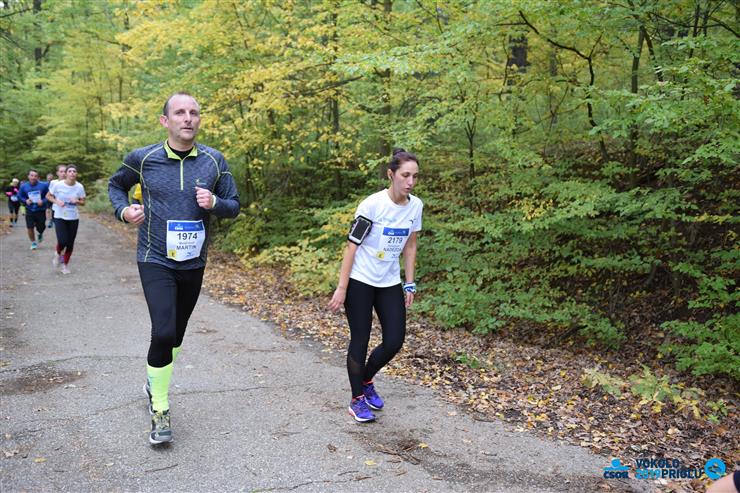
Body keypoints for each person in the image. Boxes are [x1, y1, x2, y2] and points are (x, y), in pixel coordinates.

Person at [108, 92, 240, 445]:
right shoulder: (143, 158)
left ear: (199, 120)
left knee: (177, 333)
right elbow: (116, 185)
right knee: (164, 332)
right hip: (154, 257)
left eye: (194, 112)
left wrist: (215, 202)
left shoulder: (214, 161)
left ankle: (154, 381)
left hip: (193, 260)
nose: (188, 118)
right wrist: (124, 211)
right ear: (165, 121)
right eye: (180, 112)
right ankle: (160, 407)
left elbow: (233, 205)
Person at [328, 148, 423, 423]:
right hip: (360, 280)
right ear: (391, 174)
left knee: (394, 340)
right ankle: (357, 399)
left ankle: (366, 379)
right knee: (360, 339)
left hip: (389, 281)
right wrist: (342, 287)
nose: (410, 182)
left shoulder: (415, 206)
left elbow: (411, 245)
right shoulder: (372, 205)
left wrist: (409, 283)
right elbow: (352, 246)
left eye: (415, 176)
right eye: (405, 175)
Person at [46, 165, 85, 274]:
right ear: (66, 174)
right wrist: (57, 201)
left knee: (70, 243)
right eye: (70, 171)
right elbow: (48, 196)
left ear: (76, 174)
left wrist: (77, 201)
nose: (72, 173)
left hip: (73, 217)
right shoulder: (58, 185)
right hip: (59, 216)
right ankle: (58, 253)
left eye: (74, 171)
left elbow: (83, 202)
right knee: (62, 240)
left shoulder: (79, 187)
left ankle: (65, 265)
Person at [16, 170, 49, 250]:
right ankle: (33, 242)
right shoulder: (24, 186)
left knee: (41, 227)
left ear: (38, 177)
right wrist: (25, 201)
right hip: (29, 209)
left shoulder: (44, 185)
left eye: (35, 176)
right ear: (28, 176)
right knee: (30, 227)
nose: (33, 177)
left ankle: (40, 233)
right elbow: (19, 196)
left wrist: (43, 201)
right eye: (32, 175)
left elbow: (49, 196)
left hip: (40, 210)